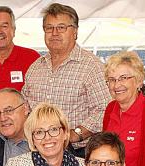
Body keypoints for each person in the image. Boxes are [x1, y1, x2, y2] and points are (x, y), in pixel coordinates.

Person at [22, 3, 110, 151]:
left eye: (61, 27)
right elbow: (25, 108)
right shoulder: (35, 68)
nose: (54, 33)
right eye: (49, 28)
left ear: (75, 32)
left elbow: (105, 110)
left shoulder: (92, 67)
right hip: (39, 151)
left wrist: (75, 134)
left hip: (78, 152)